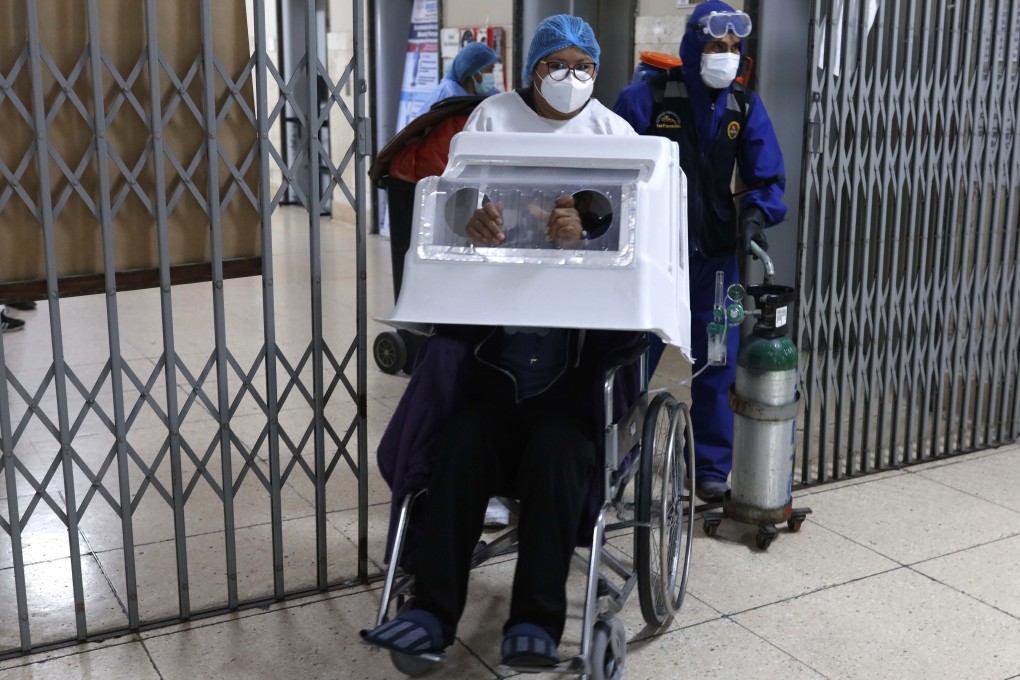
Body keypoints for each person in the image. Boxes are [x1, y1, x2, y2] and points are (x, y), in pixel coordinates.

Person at [362, 14, 639, 668]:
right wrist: (474, 220)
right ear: (532, 67)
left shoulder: (615, 134)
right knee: (458, 444)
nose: (571, 77)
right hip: (498, 345)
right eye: (557, 65)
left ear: (594, 71)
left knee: (557, 453)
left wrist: (592, 235)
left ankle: (535, 625)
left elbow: (638, 241)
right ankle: (429, 611)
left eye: (583, 66)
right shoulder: (490, 120)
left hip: (575, 359)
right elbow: (452, 209)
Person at [613, 1, 786, 503]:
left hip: (716, 257)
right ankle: (617, 456)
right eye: (715, 46)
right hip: (652, 256)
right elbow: (614, 170)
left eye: (733, 49)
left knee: (717, 362)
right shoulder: (644, 98)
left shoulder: (745, 107)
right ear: (693, 46)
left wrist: (757, 212)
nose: (725, 57)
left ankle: (710, 467)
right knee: (630, 358)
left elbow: (769, 179)